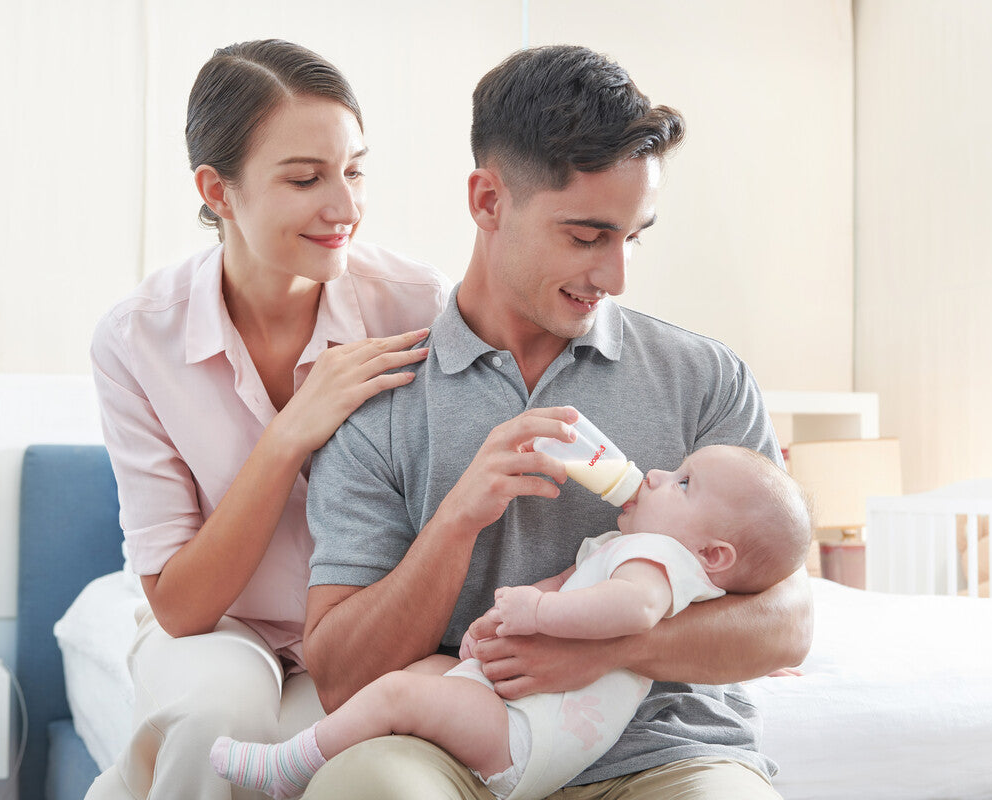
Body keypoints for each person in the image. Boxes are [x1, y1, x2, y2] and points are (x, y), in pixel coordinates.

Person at [301, 44, 813, 799]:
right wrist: (456, 519)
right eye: (586, 236)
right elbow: (341, 679)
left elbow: (787, 624)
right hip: (453, 746)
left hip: (665, 754)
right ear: (488, 202)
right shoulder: (381, 403)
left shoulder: (703, 378)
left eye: (633, 236)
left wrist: (613, 649)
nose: (616, 276)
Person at [86, 39, 451, 800]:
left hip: (359, 624)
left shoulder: (416, 306)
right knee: (217, 716)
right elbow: (181, 606)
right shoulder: (137, 340)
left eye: (354, 171)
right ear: (218, 190)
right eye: (305, 178)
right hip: (220, 628)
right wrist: (291, 433)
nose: (345, 208)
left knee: (346, 752)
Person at [211, 444, 812, 800]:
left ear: (715, 557)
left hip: (529, 736)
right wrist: (505, 618)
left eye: (683, 483)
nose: (655, 475)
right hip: (521, 713)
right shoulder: (637, 547)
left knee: (400, 693)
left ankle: (288, 765)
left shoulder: (661, 564)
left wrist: (542, 614)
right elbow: (574, 584)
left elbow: (631, 610)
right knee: (425, 670)